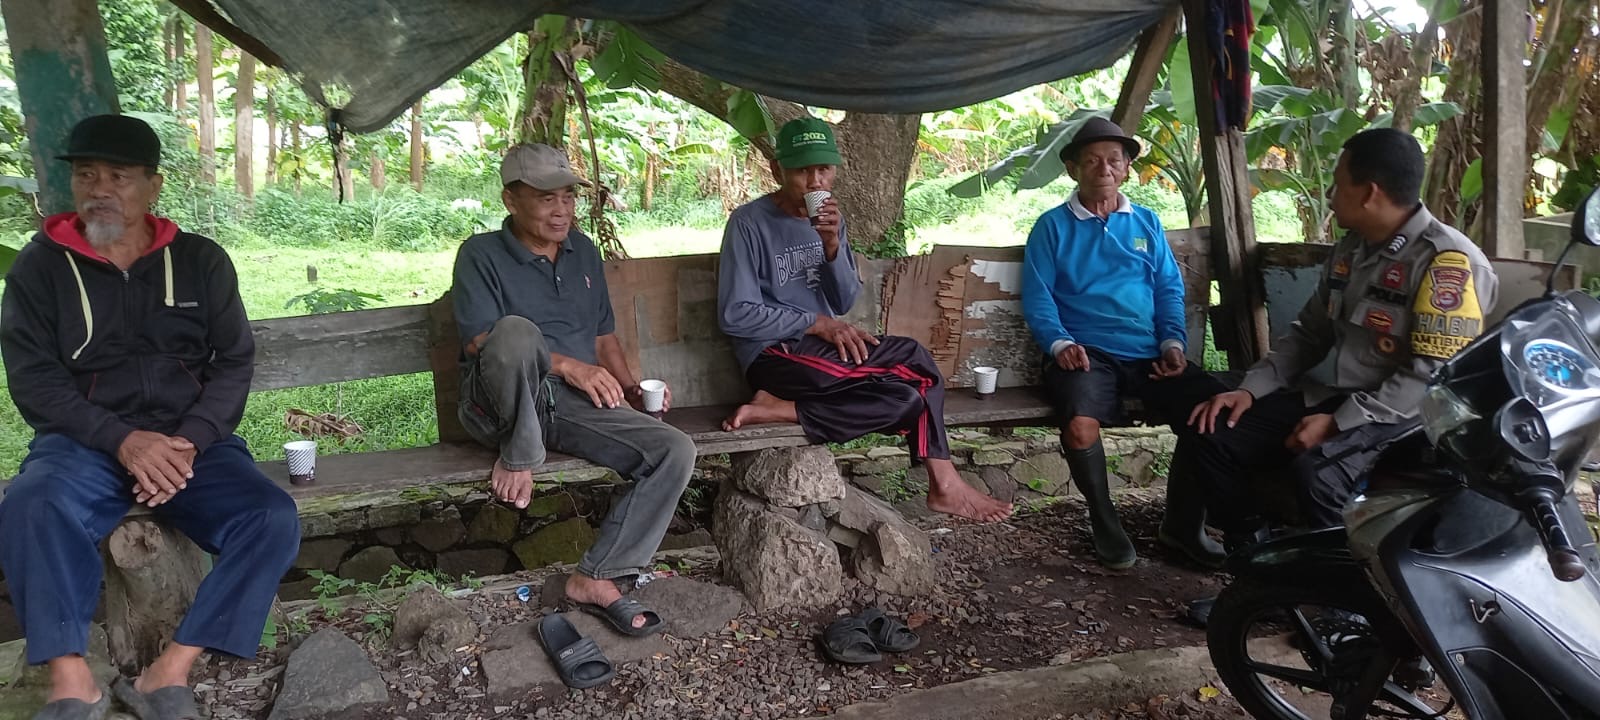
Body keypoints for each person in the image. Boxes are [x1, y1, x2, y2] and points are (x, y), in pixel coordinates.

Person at [0, 115, 300, 720]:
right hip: (85, 444)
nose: (100, 189)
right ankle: (72, 682)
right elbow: (34, 379)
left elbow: (233, 361)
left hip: (190, 445)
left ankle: (168, 672)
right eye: (87, 175)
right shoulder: (40, 269)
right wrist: (121, 440)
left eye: (119, 176)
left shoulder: (199, 261)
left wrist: (188, 442)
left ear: (153, 185)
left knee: (270, 518)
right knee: (33, 504)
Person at [1184, 127, 1500, 541]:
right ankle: (1257, 559)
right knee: (1212, 432)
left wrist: (1337, 425)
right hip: (1342, 397)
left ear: (1369, 193)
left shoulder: (1447, 264)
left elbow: (1429, 378)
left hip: (1409, 417)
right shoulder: (1351, 250)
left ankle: (1350, 581)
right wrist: (1250, 390)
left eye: (1337, 184)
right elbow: (1309, 334)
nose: (1331, 197)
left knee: (1320, 475)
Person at [717, 117, 1012, 523]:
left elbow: (842, 301)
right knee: (913, 357)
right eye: (802, 170)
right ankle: (944, 483)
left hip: (820, 354)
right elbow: (735, 313)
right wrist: (817, 324)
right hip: (774, 356)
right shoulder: (749, 224)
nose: (815, 182)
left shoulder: (831, 221)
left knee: (906, 399)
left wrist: (832, 246)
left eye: (824, 169)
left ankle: (779, 409)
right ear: (776, 170)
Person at [451, 143, 693, 634]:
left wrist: (629, 388)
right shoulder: (481, 254)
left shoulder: (582, 251)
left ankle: (597, 575)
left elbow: (603, 337)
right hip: (502, 401)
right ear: (510, 200)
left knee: (675, 450)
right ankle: (520, 453)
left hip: (567, 407)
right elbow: (480, 340)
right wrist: (567, 366)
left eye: (567, 197)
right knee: (515, 331)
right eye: (546, 199)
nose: (561, 210)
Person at [1020, 116, 1229, 570]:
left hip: (1149, 354)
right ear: (1073, 169)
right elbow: (1038, 296)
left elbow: (1168, 290)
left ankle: (1183, 525)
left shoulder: (1146, 222)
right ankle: (1105, 520)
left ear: (1127, 168)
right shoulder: (1052, 227)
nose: (1104, 168)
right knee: (1079, 425)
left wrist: (1173, 344)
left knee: (1213, 410)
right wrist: (1059, 344)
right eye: (1092, 160)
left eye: (1114, 160)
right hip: (1086, 353)